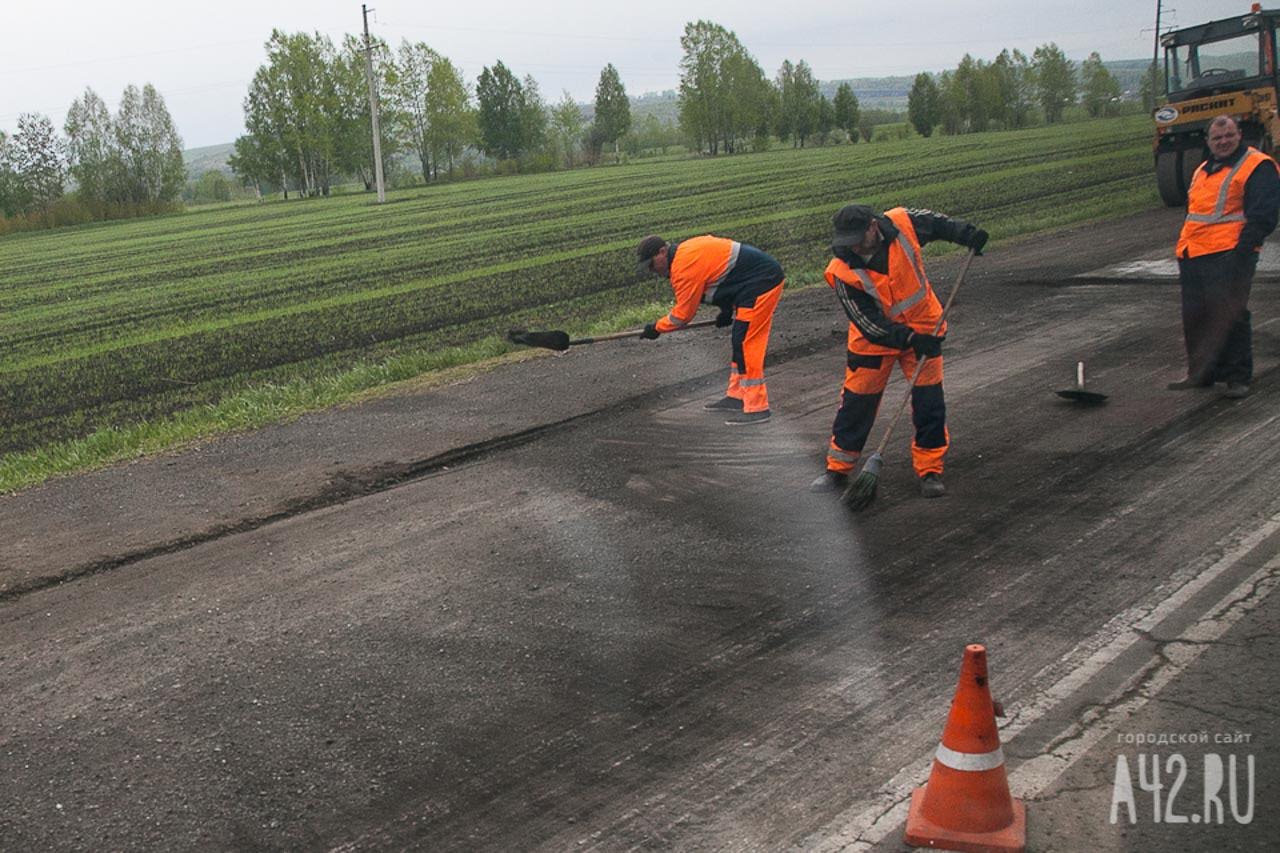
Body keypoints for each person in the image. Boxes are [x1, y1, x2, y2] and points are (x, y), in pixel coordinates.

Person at [809, 204, 987, 498]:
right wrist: (910, 339)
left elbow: (938, 224)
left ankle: (930, 470)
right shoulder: (840, 271)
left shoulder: (903, 223)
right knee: (856, 404)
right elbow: (869, 323)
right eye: (846, 239)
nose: (852, 245)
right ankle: (837, 470)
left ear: (872, 227)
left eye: (857, 236)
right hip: (874, 341)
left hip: (924, 326)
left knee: (929, 401)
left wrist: (968, 235)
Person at [1170, 115, 1280, 399]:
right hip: (1193, 253)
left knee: (1230, 315)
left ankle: (1237, 377)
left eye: (1229, 135)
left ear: (1239, 134)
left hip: (1230, 254)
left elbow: (1263, 216)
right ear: (1208, 141)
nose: (1223, 142)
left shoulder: (1257, 166)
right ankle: (1201, 373)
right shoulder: (1202, 170)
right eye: (1217, 138)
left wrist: (1242, 253)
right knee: (1196, 316)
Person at [635, 234, 786, 425]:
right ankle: (737, 396)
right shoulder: (684, 254)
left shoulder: (684, 267)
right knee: (740, 342)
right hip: (749, 285)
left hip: (762, 284)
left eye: (651, 264)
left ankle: (757, 408)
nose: (651, 270)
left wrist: (656, 328)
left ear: (662, 252)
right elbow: (722, 277)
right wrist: (726, 309)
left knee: (746, 344)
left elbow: (682, 315)